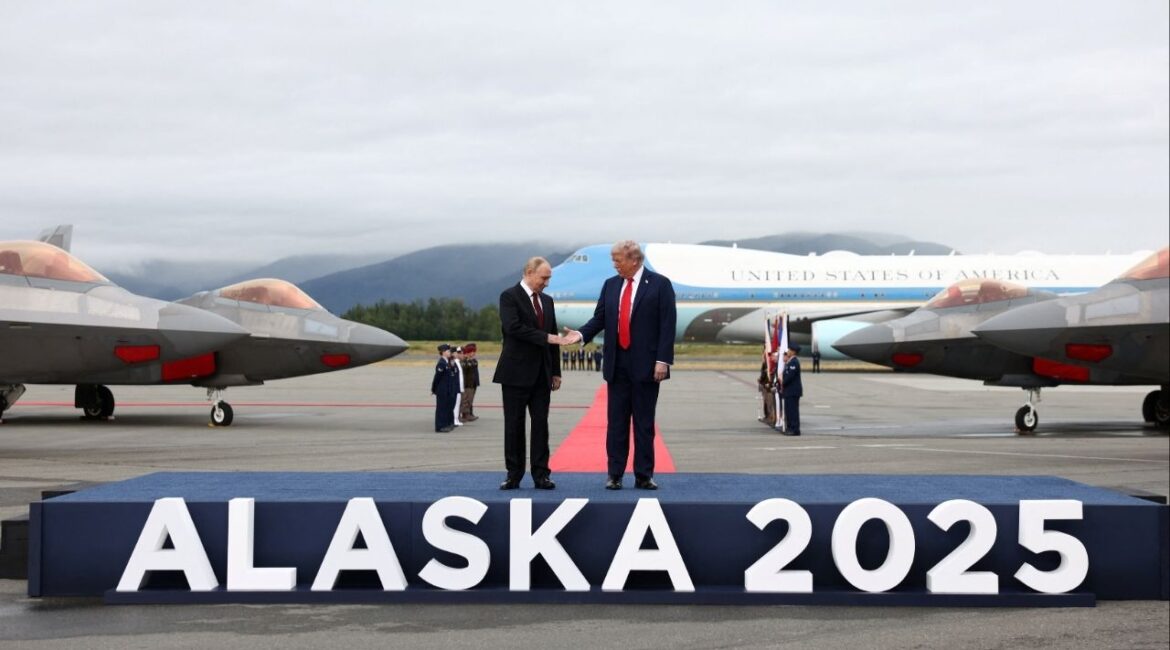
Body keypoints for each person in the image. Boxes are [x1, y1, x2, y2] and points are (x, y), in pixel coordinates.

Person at [565, 240, 677, 490]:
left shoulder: (660, 285)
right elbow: (600, 318)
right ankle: (614, 474)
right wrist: (581, 335)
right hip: (617, 365)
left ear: (635, 260)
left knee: (644, 424)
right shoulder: (611, 285)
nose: (614, 265)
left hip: (648, 366)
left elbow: (667, 326)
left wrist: (663, 360)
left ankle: (643, 475)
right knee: (616, 423)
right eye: (613, 260)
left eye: (618, 260)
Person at [492, 256, 570, 490]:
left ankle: (541, 474)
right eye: (544, 278)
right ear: (529, 272)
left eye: (549, 278)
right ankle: (513, 474)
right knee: (514, 425)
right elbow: (512, 328)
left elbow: (553, 335)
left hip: (542, 375)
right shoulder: (509, 296)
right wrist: (547, 338)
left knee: (541, 425)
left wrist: (555, 371)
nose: (546, 283)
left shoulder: (547, 301)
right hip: (515, 373)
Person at [431, 344, 457, 433]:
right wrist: (434, 389)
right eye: (448, 351)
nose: (450, 353)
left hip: (447, 390)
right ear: (443, 352)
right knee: (441, 409)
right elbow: (437, 378)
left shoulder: (447, 362)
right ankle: (439, 427)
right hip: (442, 390)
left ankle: (445, 424)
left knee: (446, 408)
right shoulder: (441, 363)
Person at [780, 344, 803, 436]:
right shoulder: (789, 362)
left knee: (793, 411)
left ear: (793, 352)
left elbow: (789, 377)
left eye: (789, 350)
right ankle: (790, 427)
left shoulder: (794, 362)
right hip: (789, 391)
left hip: (793, 391)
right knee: (789, 410)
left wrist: (782, 382)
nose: (788, 352)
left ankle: (795, 429)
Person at [459, 343, 481, 422]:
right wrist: (466, 359)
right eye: (472, 351)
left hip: (473, 383)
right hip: (467, 384)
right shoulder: (464, 362)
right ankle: (465, 414)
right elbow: (464, 373)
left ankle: (468, 414)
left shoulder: (473, 361)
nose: (474, 353)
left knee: (470, 400)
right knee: (466, 400)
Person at [451, 347, 465, 427]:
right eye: (456, 352)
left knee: (457, 404)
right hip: (456, 387)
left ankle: (456, 419)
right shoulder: (454, 363)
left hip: (459, 387)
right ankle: (454, 419)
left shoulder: (457, 362)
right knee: (455, 405)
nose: (457, 354)